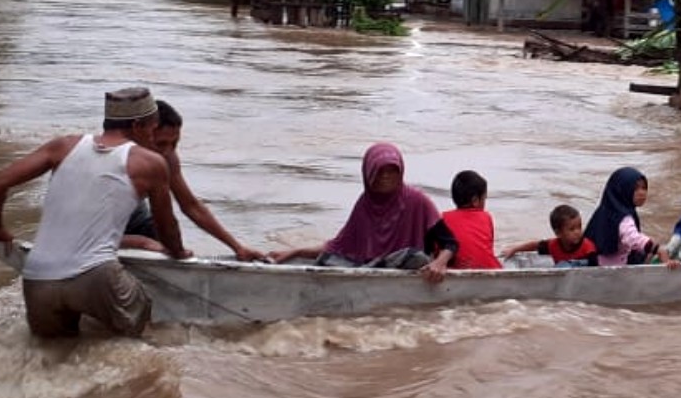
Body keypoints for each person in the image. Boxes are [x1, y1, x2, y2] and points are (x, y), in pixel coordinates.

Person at [0, 87, 190, 338]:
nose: (152, 136)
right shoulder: (149, 162)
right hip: (96, 276)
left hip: (37, 277)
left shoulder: (63, 145)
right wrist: (176, 251)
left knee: (52, 358)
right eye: (151, 128)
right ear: (137, 126)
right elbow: (167, 228)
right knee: (141, 330)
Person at [122, 100, 266, 262]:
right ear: (140, 135)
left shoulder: (168, 158)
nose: (168, 151)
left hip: (136, 217)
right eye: (161, 144)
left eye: (174, 144)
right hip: (97, 225)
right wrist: (141, 243)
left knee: (166, 244)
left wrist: (237, 247)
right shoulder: (114, 160)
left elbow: (191, 206)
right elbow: (88, 232)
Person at [268, 142, 438, 269]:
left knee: (416, 257)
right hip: (371, 266)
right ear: (368, 174)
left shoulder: (418, 200)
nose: (385, 177)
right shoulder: (365, 204)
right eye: (379, 172)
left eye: (392, 171)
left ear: (400, 173)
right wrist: (296, 252)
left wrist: (440, 264)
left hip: (405, 262)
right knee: (328, 258)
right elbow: (339, 245)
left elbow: (448, 243)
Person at [420, 170, 501, 283]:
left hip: (455, 273)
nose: (485, 202)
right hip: (492, 271)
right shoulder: (486, 217)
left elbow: (431, 252)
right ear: (475, 201)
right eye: (484, 198)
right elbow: (488, 248)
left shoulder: (441, 218)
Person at [585, 167, 676, 267]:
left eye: (644, 188)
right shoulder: (624, 218)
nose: (642, 193)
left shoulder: (606, 210)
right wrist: (657, 249)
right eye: (635, 188)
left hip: (597, 260)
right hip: (614, 267)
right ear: (622, 190)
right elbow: (633, 238)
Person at [502, 204, 598, 268]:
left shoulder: (588, 248)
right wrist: (514, 249)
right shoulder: (553, 245)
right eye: (572, 229)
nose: (577, 232)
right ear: (558, 233)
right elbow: (534, 245)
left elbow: (596, 270)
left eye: (579, 227)